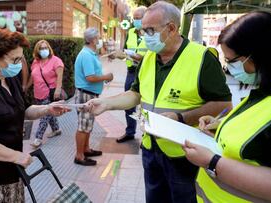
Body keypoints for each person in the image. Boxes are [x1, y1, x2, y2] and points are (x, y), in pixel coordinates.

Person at [87, 2, 232, 202]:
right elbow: (136, 93)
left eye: (149, 30)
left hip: (185, 154)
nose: (144, 36)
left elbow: (224, 105)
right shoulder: (148, 59)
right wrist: (106, 104)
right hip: (151, 148)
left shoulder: (202, 58)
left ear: (171, 28)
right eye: (142, 31)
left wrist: (180, 117)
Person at [183, 11, 271, 203]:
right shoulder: (267, 90)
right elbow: (258, 137)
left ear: (261, 55)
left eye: (232, 61)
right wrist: (221, 126)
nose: (228, 69)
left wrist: (212, 161)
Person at [0, 29, 70, 202]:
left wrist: (47, 109)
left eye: (21, 59)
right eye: (14, 59)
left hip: (12, 168)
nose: (19, 64)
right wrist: (16, 156)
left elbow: (22, 111)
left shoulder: (10, 77)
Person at [74, 27, 114, 166]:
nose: (100, 40)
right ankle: (79, 156)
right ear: (92, 40)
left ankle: (86, 149)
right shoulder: (86, 55)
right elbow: (90, 77)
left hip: (89, 94)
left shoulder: (90, 53)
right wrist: (106, 76)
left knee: (88, 124)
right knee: (83, 126)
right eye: (98, 37)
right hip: (86, 94)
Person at [116, 6, 148, 143]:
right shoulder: (131, 32)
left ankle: (147, 136)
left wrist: (139, 57)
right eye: (134, 18)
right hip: (131, 72)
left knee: (147, 105)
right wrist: (122, 55)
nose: (135, 21)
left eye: (138, 18)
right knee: (128, 104)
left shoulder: (153, 33)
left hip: (147, 72)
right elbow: (125, 50)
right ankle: (130, 132)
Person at [28, 40, 65, 147]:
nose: (44, 50)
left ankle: (38, 138)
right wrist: (25, 86)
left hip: (50, 93)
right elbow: (32, 75)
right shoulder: (36, 62)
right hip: (38, 93)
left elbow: (60, 76)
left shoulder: (56, 61)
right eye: (41, 48)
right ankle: (56, 129)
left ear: (49, 48)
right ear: (37, 51)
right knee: (48, 113)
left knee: (45, 115)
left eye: (46, 48)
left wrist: (58, 89)